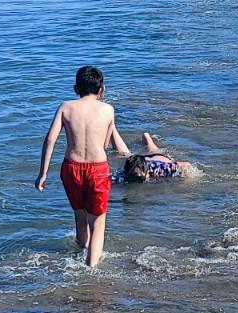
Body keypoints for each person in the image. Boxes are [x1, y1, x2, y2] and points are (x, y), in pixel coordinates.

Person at [34, 65, 131, 267]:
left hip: (71, 168)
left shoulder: (65, 107)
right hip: (97, 169)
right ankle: (90, 270)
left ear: (75, 89)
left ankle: (80, 254)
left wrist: (42, 173)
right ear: (102, 90)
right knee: (98, 223)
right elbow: (105, 144)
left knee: (80, 216)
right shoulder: (108, 110)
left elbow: (50, 140)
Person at [119, 131, 197, 184]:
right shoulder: (124, 173)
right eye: (132, 179)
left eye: (140, 179)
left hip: (157, 157)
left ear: (146, 172)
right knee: (124, 154)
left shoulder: (160, 168)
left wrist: (185, 180)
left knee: (150, 146)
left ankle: (146, 136)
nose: (136, 182)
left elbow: (186, 165)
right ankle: (111, 127)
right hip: (141, 161)